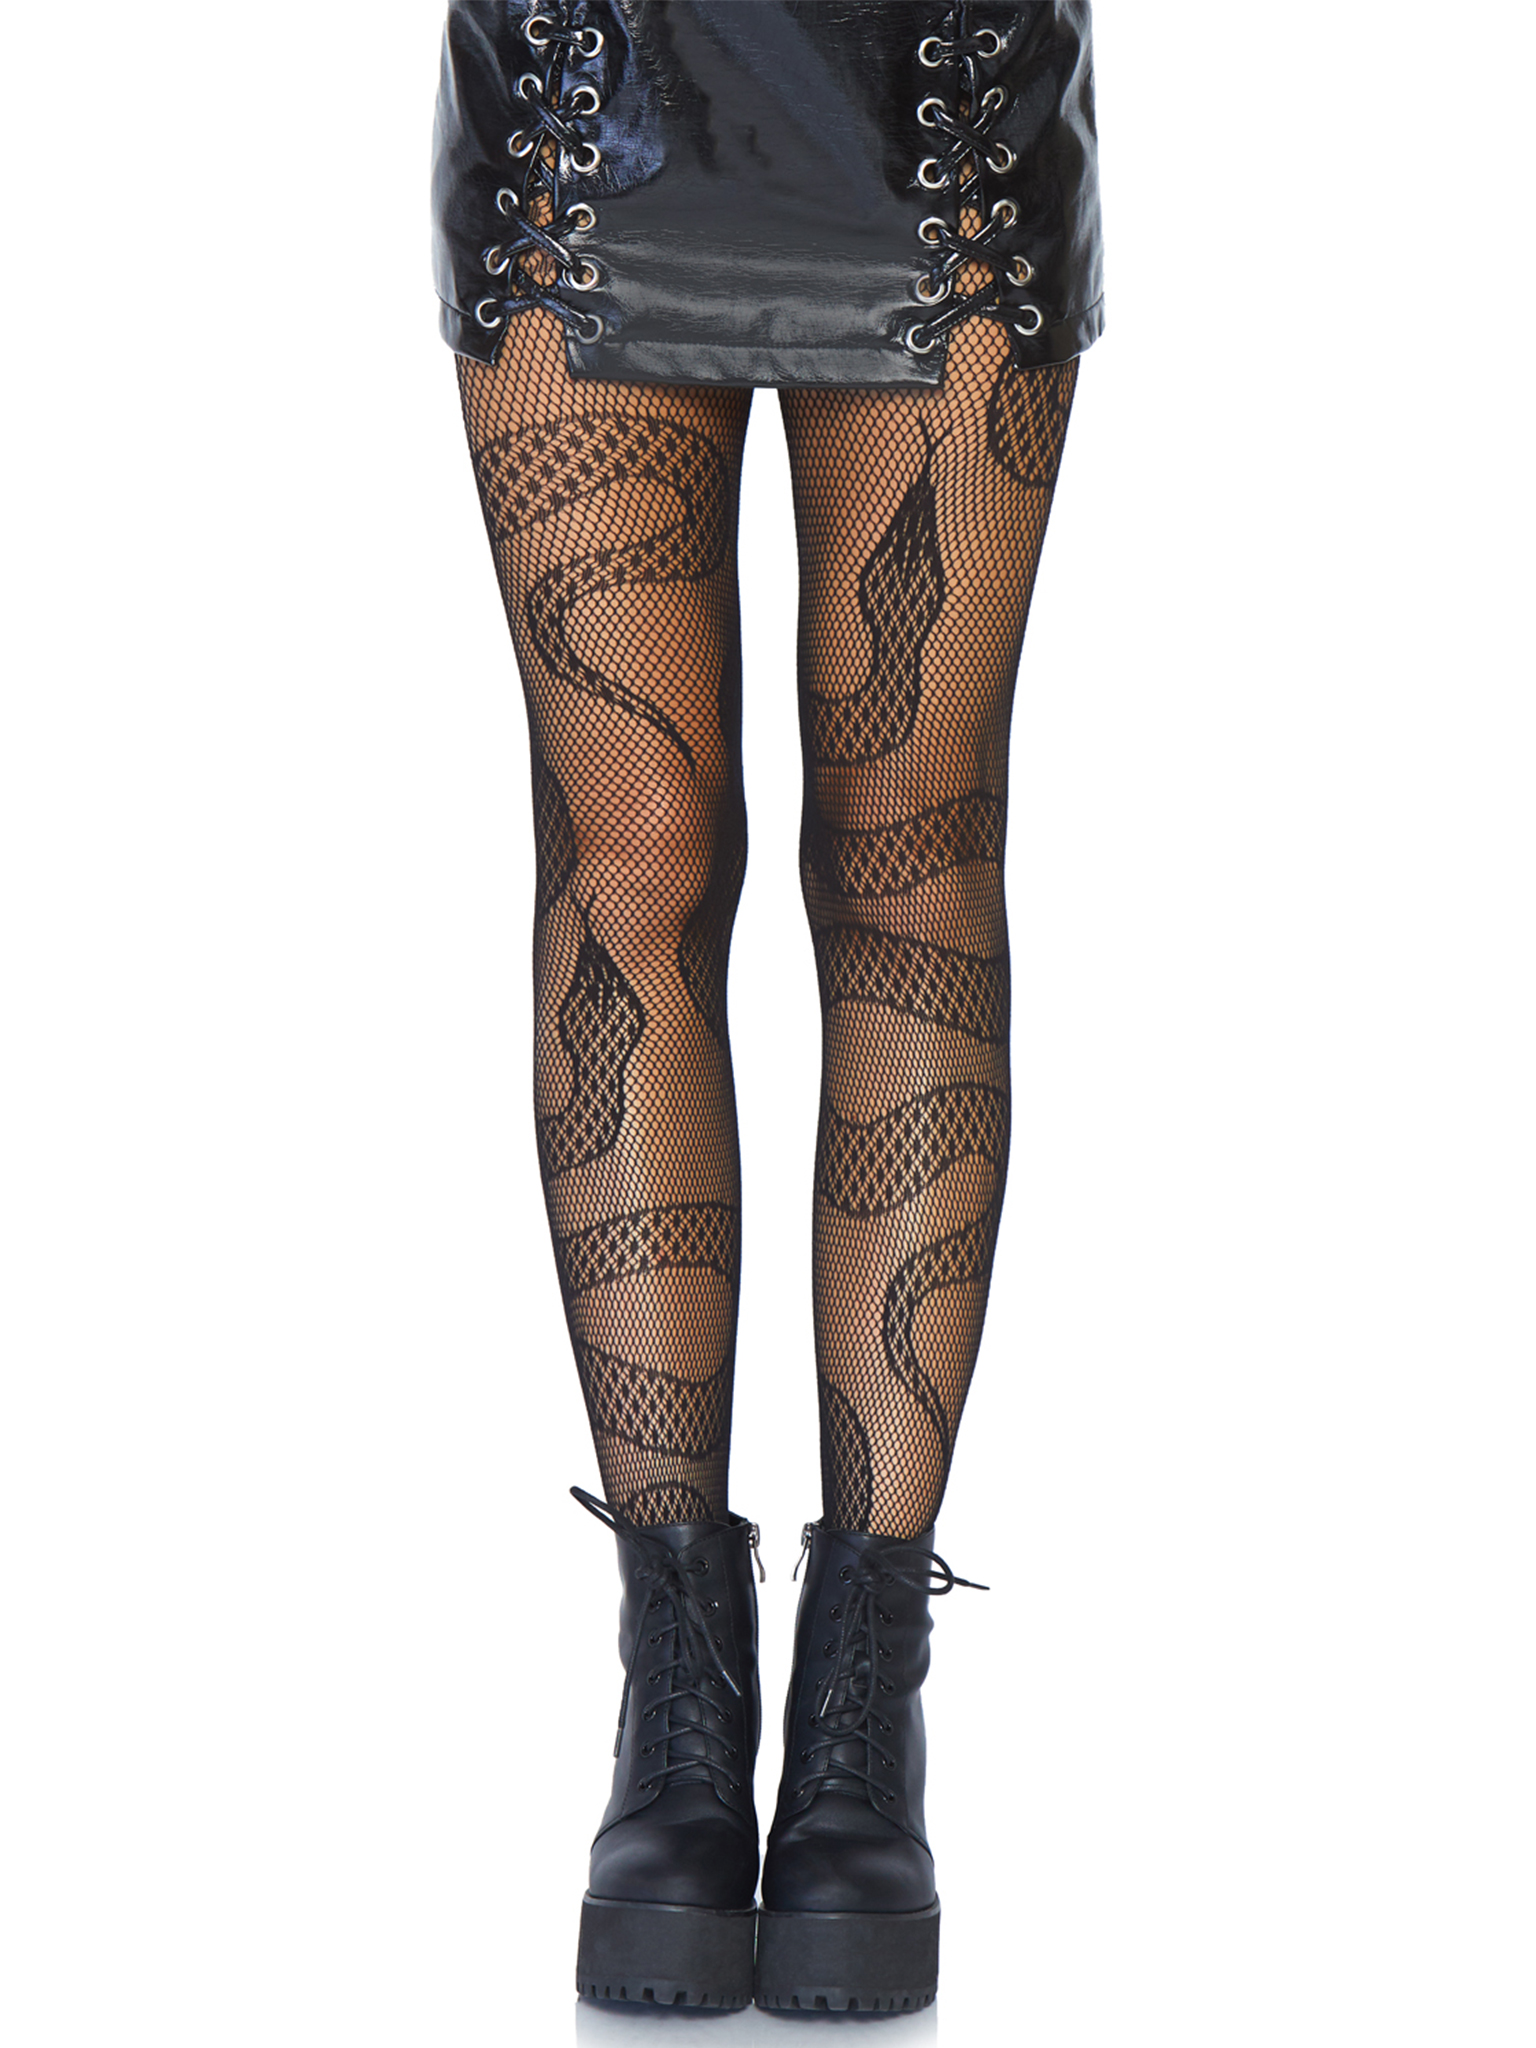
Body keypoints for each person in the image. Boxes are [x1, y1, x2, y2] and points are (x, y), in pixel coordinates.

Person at [431, 0, 1103, 2013]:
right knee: (626, 853)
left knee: (913, 857)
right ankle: (678, 1702)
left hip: (937, 109)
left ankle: (863, 1711)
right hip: (589, 99)